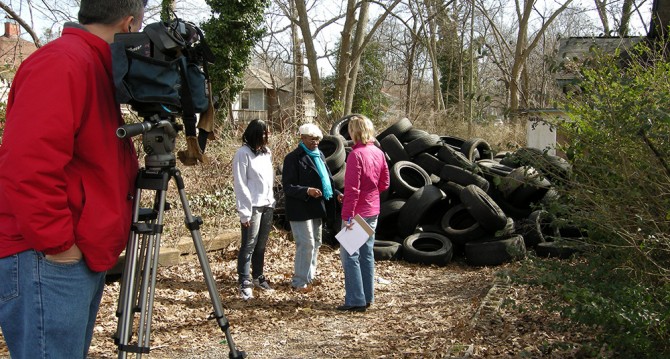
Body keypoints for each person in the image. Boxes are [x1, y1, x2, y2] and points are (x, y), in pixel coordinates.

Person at [0, 1, 146, 358]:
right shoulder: (63, 63)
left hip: (73, 253)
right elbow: (28, 165)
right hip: (46, 255)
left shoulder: (93, 65)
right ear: (129, 25)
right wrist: (59, 245)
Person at [337, 115, 390, 312]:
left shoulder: (355, 155)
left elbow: (352, 189)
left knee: (349, 255)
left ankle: (355, 300)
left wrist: (347, 216)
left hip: (357, 211)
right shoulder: (378, 152)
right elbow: (385, 183)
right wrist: (371, 193)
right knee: (366, 254)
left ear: (354, 132)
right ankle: (368, 296)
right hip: (373, 209)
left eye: (350, 130)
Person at [282, 123, 343, 291]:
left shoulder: (320, 155)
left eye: (318, 139)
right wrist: (306, 191)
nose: (315, 142)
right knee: (306, 243)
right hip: (300, 208)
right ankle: (299, 281)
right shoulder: (293, 158)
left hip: (318, 206)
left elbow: (326, 181)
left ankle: (309, 276)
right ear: (302, 138)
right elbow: (287, 187)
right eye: (312, 139)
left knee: (316, 242)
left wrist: (336, 192)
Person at [232, 119, 275, 300]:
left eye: (268, 132)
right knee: (249, 245)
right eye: (264, 132)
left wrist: (271, 201)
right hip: (253, 207)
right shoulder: (242, 154)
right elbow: (240, 184)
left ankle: (258, 276)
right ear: (256, 133)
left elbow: (268, 180)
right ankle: (244, 281)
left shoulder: (267, 153)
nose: (268, 136)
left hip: (267, 205)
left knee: (261, 245)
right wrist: (245, 212)